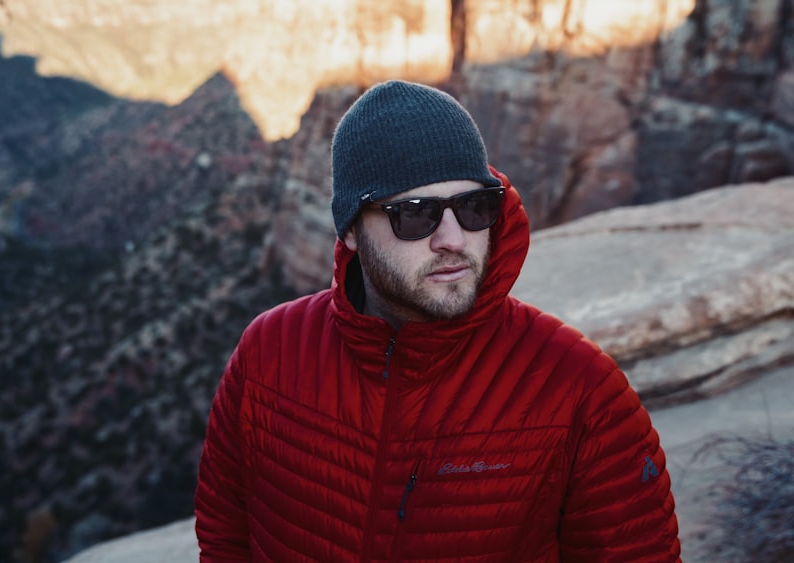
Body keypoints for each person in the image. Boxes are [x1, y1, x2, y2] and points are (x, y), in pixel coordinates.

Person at [195, 80, 681, 561]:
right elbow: (224, 538)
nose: (452, 237)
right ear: (348, 232)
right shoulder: (268, 352)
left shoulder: (581, 390)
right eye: (414, 214)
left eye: (474, 207)